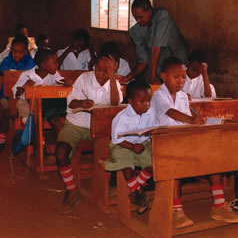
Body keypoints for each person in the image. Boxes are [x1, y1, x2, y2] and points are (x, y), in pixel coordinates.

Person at [151, 56, 238, 228]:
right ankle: (176, 210)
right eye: (176, 77)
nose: (181, 81)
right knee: (175, 163)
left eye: (183, 77)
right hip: (163, 141)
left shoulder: (183, 96)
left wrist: (196, 120)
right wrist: (191, 121)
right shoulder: (158, 95)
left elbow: (187, 117)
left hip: (183, 138)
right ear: (163, 76)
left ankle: (219, 206)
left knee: (213, 156)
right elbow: (170, 112)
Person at [55, 49, 123, 214]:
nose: (100, 74)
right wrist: (82, 103)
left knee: (112, 153)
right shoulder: (84, 79)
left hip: (101, 128)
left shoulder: (113, 84)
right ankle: (72, 190)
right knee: (61, 153)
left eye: (106, 71)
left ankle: (106, 189)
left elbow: (115, 102)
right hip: (77, 124)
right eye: (98, 69)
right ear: (93, 67)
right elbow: (71, 104)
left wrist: (112, 77)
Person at [100, 80, 156, 214]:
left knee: (154, 164)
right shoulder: (122, 117)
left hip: (141, 144)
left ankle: (136, 184)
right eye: (142, 102)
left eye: (149, 100)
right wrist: (132, 146)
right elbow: (117, 139)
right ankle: (137, 193)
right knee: (127, 164)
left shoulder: (150, 112)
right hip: (122, 145)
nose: (147, 105)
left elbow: (153, 129)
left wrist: (151, 133)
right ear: (130, 101)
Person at [118, 0, 188, 85]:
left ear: (150, 11)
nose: (138, 21)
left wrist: (152, 78)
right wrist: (128, 77)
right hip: (156, 70)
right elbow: (143, 61)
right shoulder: (136, 32)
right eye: (135, 18)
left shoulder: (162, 17)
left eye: (140, 17)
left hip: (175, 66)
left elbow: (156, 48)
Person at [12, 49, 68, 134]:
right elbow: (16, 94)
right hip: (27, 103)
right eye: (55, 62)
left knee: (54, 119)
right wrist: (24, 86)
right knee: (35, 120)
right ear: (44, 65)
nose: (57, 64)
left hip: (45, 104)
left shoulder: (54, 74)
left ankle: (61, 142)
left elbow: (61, 81)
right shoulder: (27, 75)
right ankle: (36, 142)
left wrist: (66, 83)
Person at [0, 35, 35, 150]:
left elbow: (31, 74)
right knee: (4, 109)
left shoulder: (29, 61)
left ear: (25, 52)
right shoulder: (7, 60)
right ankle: (2, 138)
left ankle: (27, 139)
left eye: (20, 52)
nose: (17, 55)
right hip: (7, 95)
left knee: (28, 110)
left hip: (23, 96)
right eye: (14, 52)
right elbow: (4, 71)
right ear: (11, 51)